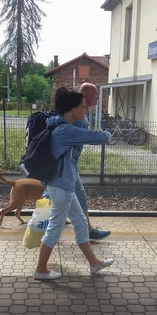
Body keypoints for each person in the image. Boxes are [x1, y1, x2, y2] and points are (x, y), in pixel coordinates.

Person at [35, 88, 114, 281]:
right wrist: (107, 133)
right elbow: (102, 138)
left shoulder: (58, 126)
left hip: (64, 185)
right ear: (71, 109)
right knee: (54, 228)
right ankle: (40, 270)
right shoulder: (65, 130)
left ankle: (94, 263)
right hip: (61, 187)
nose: (85, 110)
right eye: (81, 107)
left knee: (79, 222)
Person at [75, 83, 110, 240]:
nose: (98, 97)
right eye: (95, 94)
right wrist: (100, 136)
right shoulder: (79, 116)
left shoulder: (81, 113)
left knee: (60, 201)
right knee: (78, 197)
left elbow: (81, 135)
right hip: (66, 166)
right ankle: (87, 231)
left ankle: (86, 230)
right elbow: (79, 136)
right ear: (86, 95)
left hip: (68, 165)